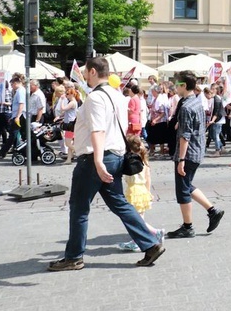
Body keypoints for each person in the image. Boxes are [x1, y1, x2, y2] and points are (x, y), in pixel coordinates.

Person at [48, 57, 165, 271]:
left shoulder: (95, 98)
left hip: (95, 159)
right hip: (115, 156)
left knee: (79, 208)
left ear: (93, 72)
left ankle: (74, 257)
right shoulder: (118, 96)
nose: (83, 75)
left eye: (85, 72)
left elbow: (98, 130)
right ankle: (150, 244)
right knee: (119, 203)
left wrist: (98, 161)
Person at [167, 70, 224, 239]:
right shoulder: (196, 101)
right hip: (198, 150)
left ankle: (188, 226)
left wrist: (181, 159)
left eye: (176, 84)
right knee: (187, 185)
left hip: (188, 153)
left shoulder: (185, 106)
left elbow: (185, 136)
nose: (174, 87)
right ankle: (213, 211)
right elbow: (195, 125)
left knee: (182, 190)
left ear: (184, 85)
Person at [117, 136, 165, 252]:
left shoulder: (129, 160)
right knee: (138, 218)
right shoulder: (143, 160)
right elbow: (148, 178)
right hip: (142, 190)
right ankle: (138, 240)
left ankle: (154, 233)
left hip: (134, 191)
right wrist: (148, 192)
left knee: (137, 220)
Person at [0, 74, 26, 159]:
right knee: (20, 135)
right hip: (18, 115)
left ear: (16, 83)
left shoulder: (20, 91)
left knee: (13, 135)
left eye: (12, 85)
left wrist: (17, 116)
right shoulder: (19, 91)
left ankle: (3, 152)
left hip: (20, 116)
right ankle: (5, 151)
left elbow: (21, 104)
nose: (11, 87)